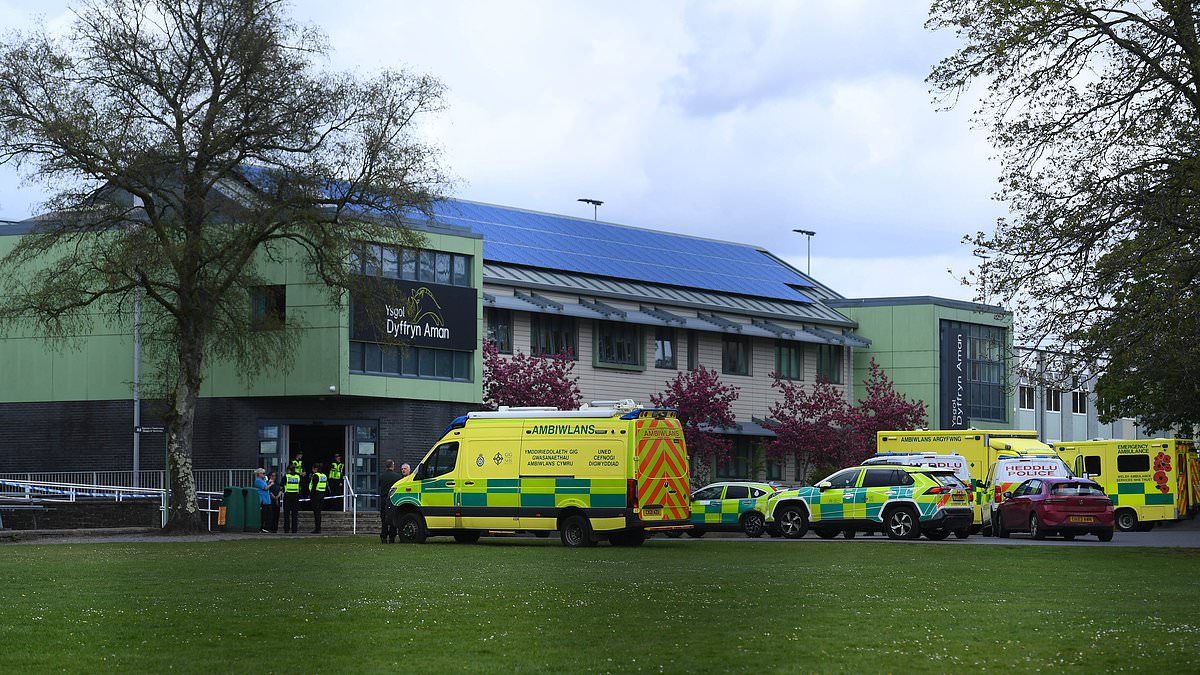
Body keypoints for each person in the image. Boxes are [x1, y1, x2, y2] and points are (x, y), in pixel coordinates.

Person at [379, 459, 403, 544]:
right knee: (393, 520)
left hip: (383, 501)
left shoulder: (381, 476)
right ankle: (392, 538)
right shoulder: (397, 477)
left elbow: (379, 487)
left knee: (384, 520)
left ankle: (383, 537)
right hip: (393, 500)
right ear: (392, 465)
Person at [282, 464, 302, 534]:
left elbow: (282, 485)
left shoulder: (286, 476)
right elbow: (300, 485)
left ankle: (286, 529)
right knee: (295, 514)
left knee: (286, 514)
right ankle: (294, 530)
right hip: (296, 496)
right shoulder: (298, 476)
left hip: (288, 495)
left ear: (288, 470)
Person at [309, 463, 328, 534]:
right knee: (318, 512)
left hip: (316, 495)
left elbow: (314, 486)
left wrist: (311, 495)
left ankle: (317, 529)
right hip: (322, 494)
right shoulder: (324, 476)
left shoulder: (316, 475)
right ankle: (318, 528)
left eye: (313, 469)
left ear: (315, 469)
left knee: (316, 513)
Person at [254, 468, 272, 533]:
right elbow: (265, 488)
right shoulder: (258, 481)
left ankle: (266, 527)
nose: (265, 475)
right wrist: (270, 484)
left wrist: (268, 483)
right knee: (263, 515)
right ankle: (262, 528)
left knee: (268, 514)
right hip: (262, 500)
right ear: (259, 474)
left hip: (267, 500)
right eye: (263, 473)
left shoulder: (263, 480)